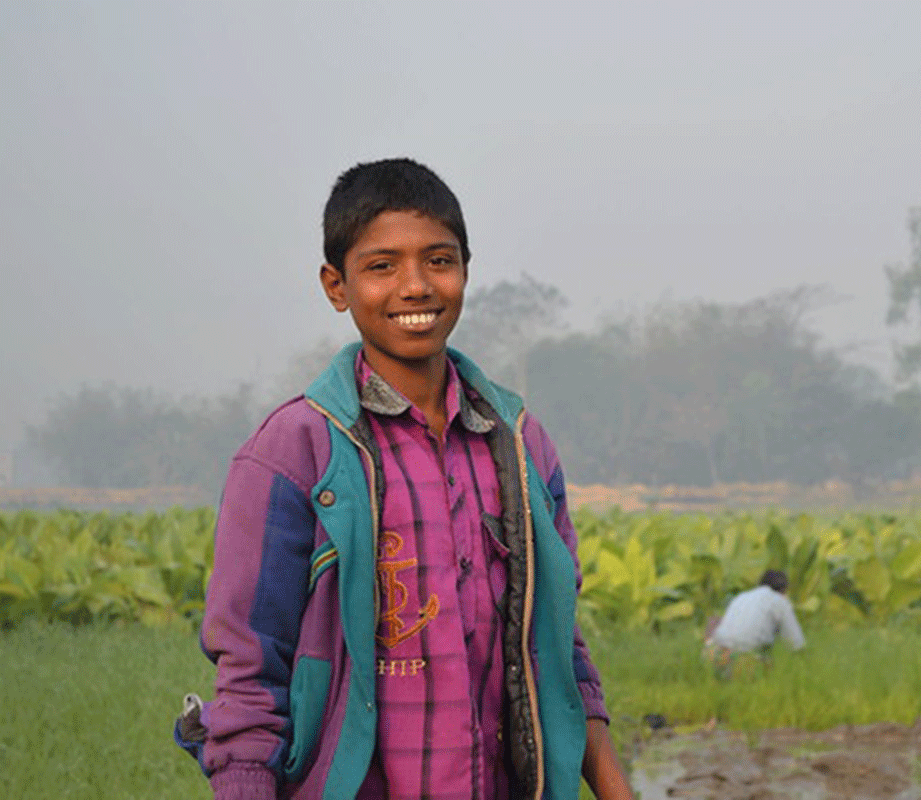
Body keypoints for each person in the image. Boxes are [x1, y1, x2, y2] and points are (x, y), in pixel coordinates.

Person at [176, 158, 633, 800]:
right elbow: (250, 675)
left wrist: (615, 788)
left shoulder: (521, 444)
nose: (415, 287)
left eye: (438, 261)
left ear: (465, 272)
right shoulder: (293, 453)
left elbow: (560, 651)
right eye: (382, 266)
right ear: (337, 286)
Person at [703, 570, 805, 677]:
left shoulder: (742, 596)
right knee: (769, 666)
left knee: (715, 619)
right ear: (783, 589)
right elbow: (796, 643)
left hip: (714, 656)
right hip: (743, 663)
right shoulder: (780, 601)